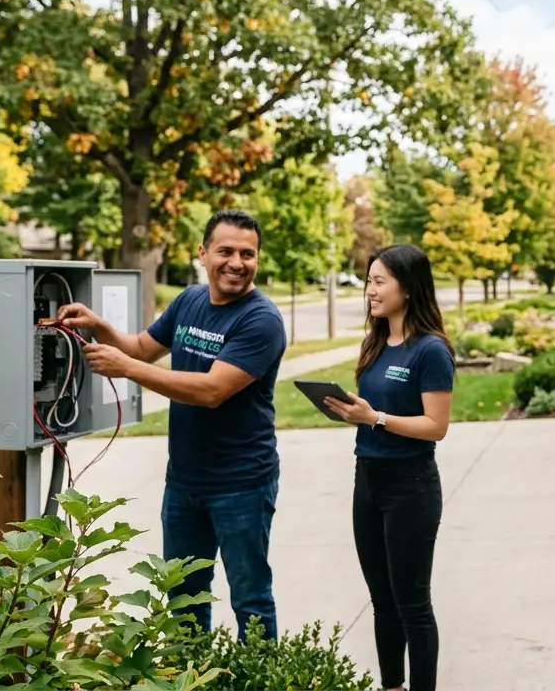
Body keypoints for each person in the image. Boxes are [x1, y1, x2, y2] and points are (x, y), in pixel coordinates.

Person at [59, 208, 287, 642]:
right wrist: (101, 326)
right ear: (202, 253)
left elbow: (212, 390)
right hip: (184, 482)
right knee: (182, 597)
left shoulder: (261, 320)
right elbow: (143, 347)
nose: (236, 263)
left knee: (250, 600)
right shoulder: (189, 301)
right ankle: (187, 676)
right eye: (225, 251)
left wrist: (127, 369)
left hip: (242, 483)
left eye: (247, 253)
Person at [322, 243, 456, 691]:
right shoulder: (376, 343)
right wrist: (353, 413)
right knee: (383, 601)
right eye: (368, 281)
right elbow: (372, 412)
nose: (370, 290)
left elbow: (436, 426)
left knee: (412, 603)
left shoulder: (430, 351)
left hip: (410, 487)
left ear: (408, 288)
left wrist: (374, 418)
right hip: (368, 481)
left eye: (380, 281)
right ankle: (392, 686)